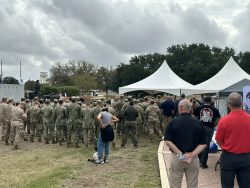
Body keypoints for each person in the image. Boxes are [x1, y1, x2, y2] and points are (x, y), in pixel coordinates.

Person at [165, 99, 206, 188]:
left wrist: (181, 155)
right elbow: (203, 144)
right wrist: (191, 155)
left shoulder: (173, 122)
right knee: (192, 185)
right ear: (190, 109)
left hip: (177, 157)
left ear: (181, 108)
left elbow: (168, 141)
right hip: (193, 158)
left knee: (175, 184)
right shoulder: (198, 123)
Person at [215, 92, 250, 188]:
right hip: (246, 157)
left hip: (228, 157)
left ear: (228, 104)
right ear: (242, 104)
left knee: (227, 185)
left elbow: (218, 140)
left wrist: (225, 147)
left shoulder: (224, 120)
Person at [193, 96, 220, 169]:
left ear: (204, 101)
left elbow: (193, 117)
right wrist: (214, 124)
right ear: (210, 101)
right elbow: (218, 119)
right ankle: (203, 163)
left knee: (199, 144)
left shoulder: (199, 108)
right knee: (206, 145)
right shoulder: (214, 109)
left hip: (200, 128)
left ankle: (199, 160)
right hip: (209, 128)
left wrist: (197, 124)